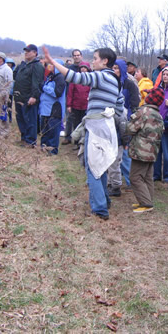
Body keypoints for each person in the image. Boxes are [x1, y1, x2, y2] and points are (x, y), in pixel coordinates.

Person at [42, 46, 124, 221]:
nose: (92, 61)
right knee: (100, 166)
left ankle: (100, 209)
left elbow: (75, 77)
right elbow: (119, 107)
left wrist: (53, 62)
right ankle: (105, 200)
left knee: (93, 168)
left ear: (105, 61)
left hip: (97, 127)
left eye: (95, 58)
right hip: (106, 127)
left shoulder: (102, 76)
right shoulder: (115, 81)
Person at [126, 88, 165, 213]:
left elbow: (131, 128)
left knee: (135, 177)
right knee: (147, 177)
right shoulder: (159, 115)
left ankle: (146, 203)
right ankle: (148, 200)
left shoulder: (143, 112)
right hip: (153, 151)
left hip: (141, 151)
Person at [107, 59, 140, 197]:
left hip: (125, 121)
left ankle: (128, 181)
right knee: (112, 153)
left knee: (124, 153)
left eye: (116, 68)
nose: (114, 70)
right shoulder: (109, 83)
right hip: (111, 120)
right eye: (112, 67)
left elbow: (135, 104)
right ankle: (112, 181)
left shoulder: (129, 84)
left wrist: (129, 120)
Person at [13, 44, 44, 147]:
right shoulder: (24, 64)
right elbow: (15, 76)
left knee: (30, 120)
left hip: (29, 98)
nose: (26, 53)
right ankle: (24, 137)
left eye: (29, 51)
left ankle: (30, 141)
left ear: (35, 53)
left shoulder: (37, 65)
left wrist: (34, 96)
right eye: (25, 51)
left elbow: (37, 82)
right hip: (19, 97)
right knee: (21, 119)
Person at [39, 59, 66, 155]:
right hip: (46, 109)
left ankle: (52, 150)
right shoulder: (50, 77)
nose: (49, 66)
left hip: (54, 109)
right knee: (45, 129)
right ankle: (44, 147)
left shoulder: (60, 78)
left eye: (52, 65)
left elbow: (56, 92)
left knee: (53, 130)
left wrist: (44, 87)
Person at [63, 62, 91, 146]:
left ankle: (84, 141)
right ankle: (76, 141)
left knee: (86, 124)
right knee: (76, 124)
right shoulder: (75, 80)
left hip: (86, 106)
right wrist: (69, 105)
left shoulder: (91, 80)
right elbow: (70, 93)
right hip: (76, 106)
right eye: (81, 67)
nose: (83, 69)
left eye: (85, 68)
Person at [5, 57, 16, 123]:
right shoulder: (4, 71)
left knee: (9, 105)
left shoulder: (14, 71)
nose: (9, 65)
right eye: (7, 63)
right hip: (4, 91)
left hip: (11, 92)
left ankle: (10, 118)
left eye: (10, 63)